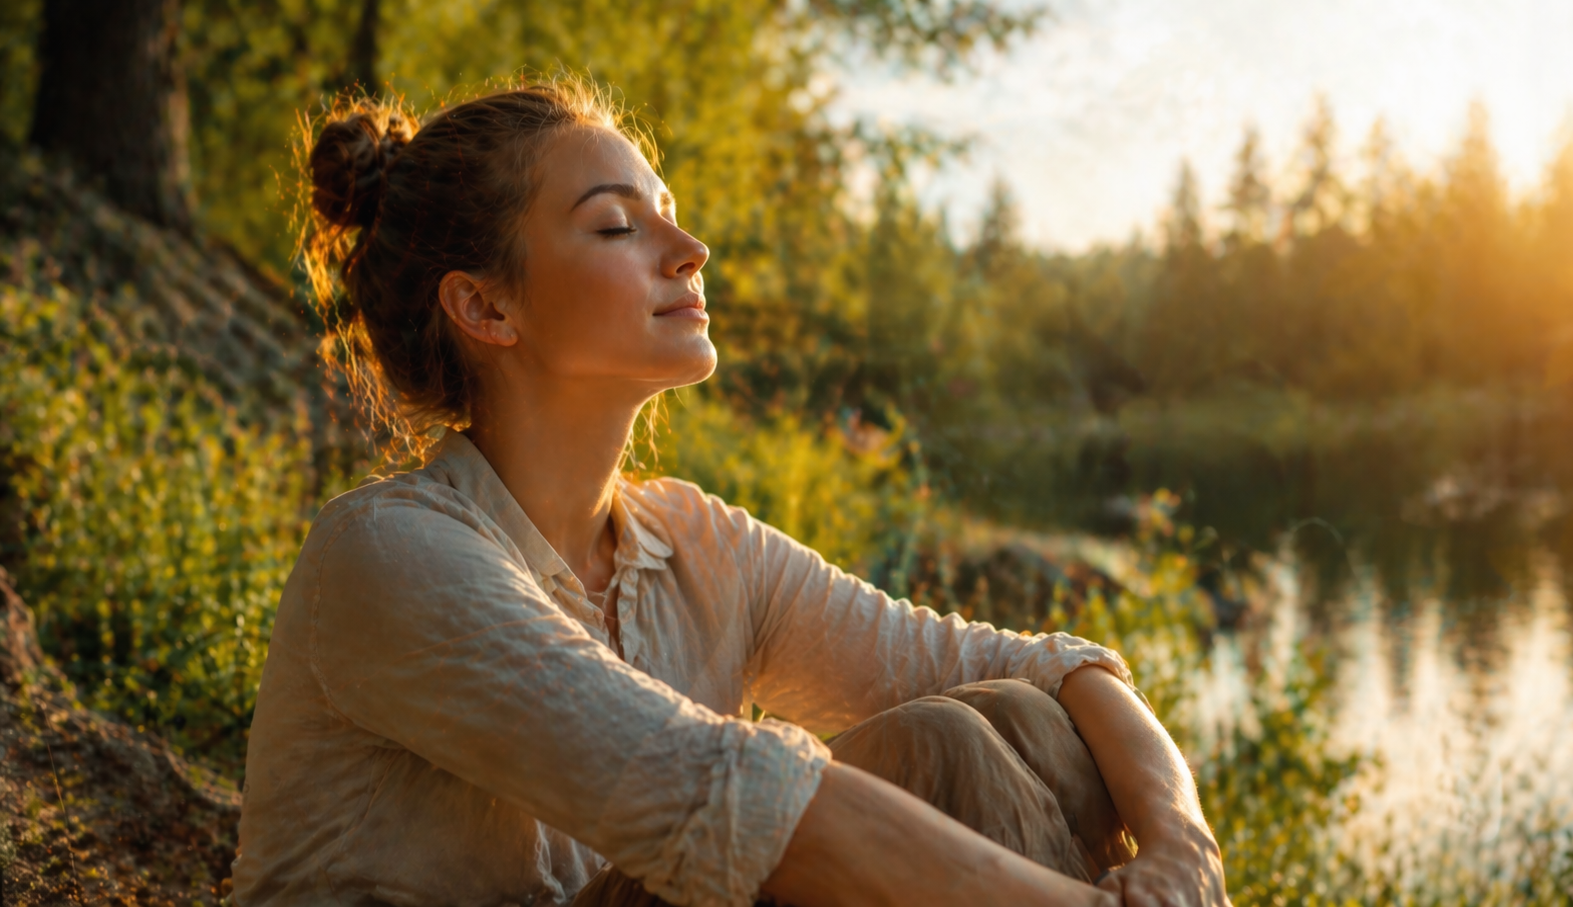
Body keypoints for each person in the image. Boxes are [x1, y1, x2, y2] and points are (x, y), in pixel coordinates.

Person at [233, 79, 1229, 907]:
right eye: (618, 225)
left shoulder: (695, 542)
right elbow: (730, 797)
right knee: (939, 751)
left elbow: (1046, 669)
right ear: (486, 306)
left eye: (668, 210)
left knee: (1021, 717)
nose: (689, 248)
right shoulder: (387, 553)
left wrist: (1186, 846)